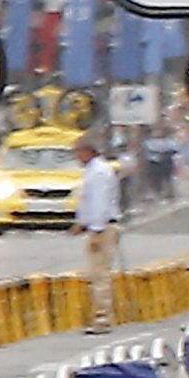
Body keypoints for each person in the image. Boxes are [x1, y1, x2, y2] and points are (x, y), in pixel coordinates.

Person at [73, 135, 123, 330]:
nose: (76, 157)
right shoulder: (93, 171)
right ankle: (100, 314)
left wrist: (95, 231)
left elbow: (99, 204)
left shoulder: (99, 172)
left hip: (104, 228)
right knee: (97, 274)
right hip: (100, 226)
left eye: (77, 152)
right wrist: (81, 223)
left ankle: (102, 318)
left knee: (100, 274)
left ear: (87, 152)